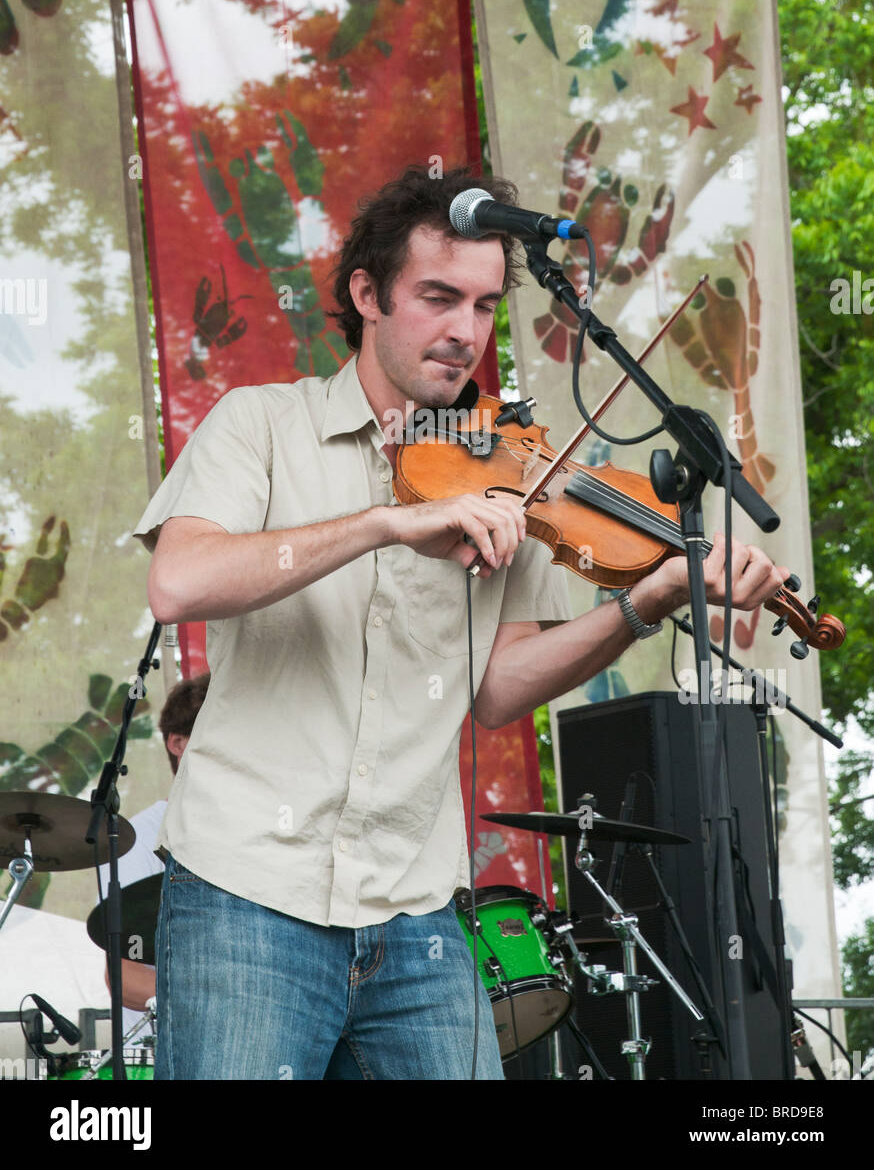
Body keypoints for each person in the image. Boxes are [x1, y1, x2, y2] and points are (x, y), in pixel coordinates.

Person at [132, 163, 788, 1080]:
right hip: (247, 893)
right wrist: (384, 524)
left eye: (483, 308)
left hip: (416, 913)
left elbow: (497, 689)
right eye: (438, 298)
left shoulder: (507, 471)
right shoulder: (260, 426)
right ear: (366, 293)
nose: (463, 335)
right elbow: (179, 582)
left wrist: (645, 605)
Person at [97, 675, 207, 1035]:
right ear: (178, 743)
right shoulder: (139, 839)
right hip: (160, 1052)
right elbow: (125, 977)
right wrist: (224, 996)